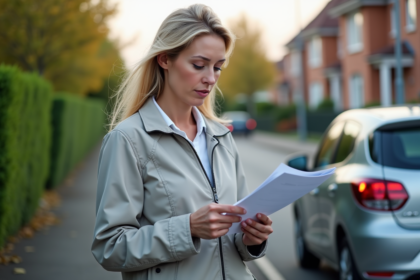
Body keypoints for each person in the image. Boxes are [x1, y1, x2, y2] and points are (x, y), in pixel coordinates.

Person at [91, 4, 274, 280]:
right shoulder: (128, 140)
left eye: (218, 67)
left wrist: (252, 239)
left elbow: (234, 241)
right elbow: (110, 247)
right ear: (165, 60)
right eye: (199, 65)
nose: (210, 78)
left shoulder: (222, 137)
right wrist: (187, 228)